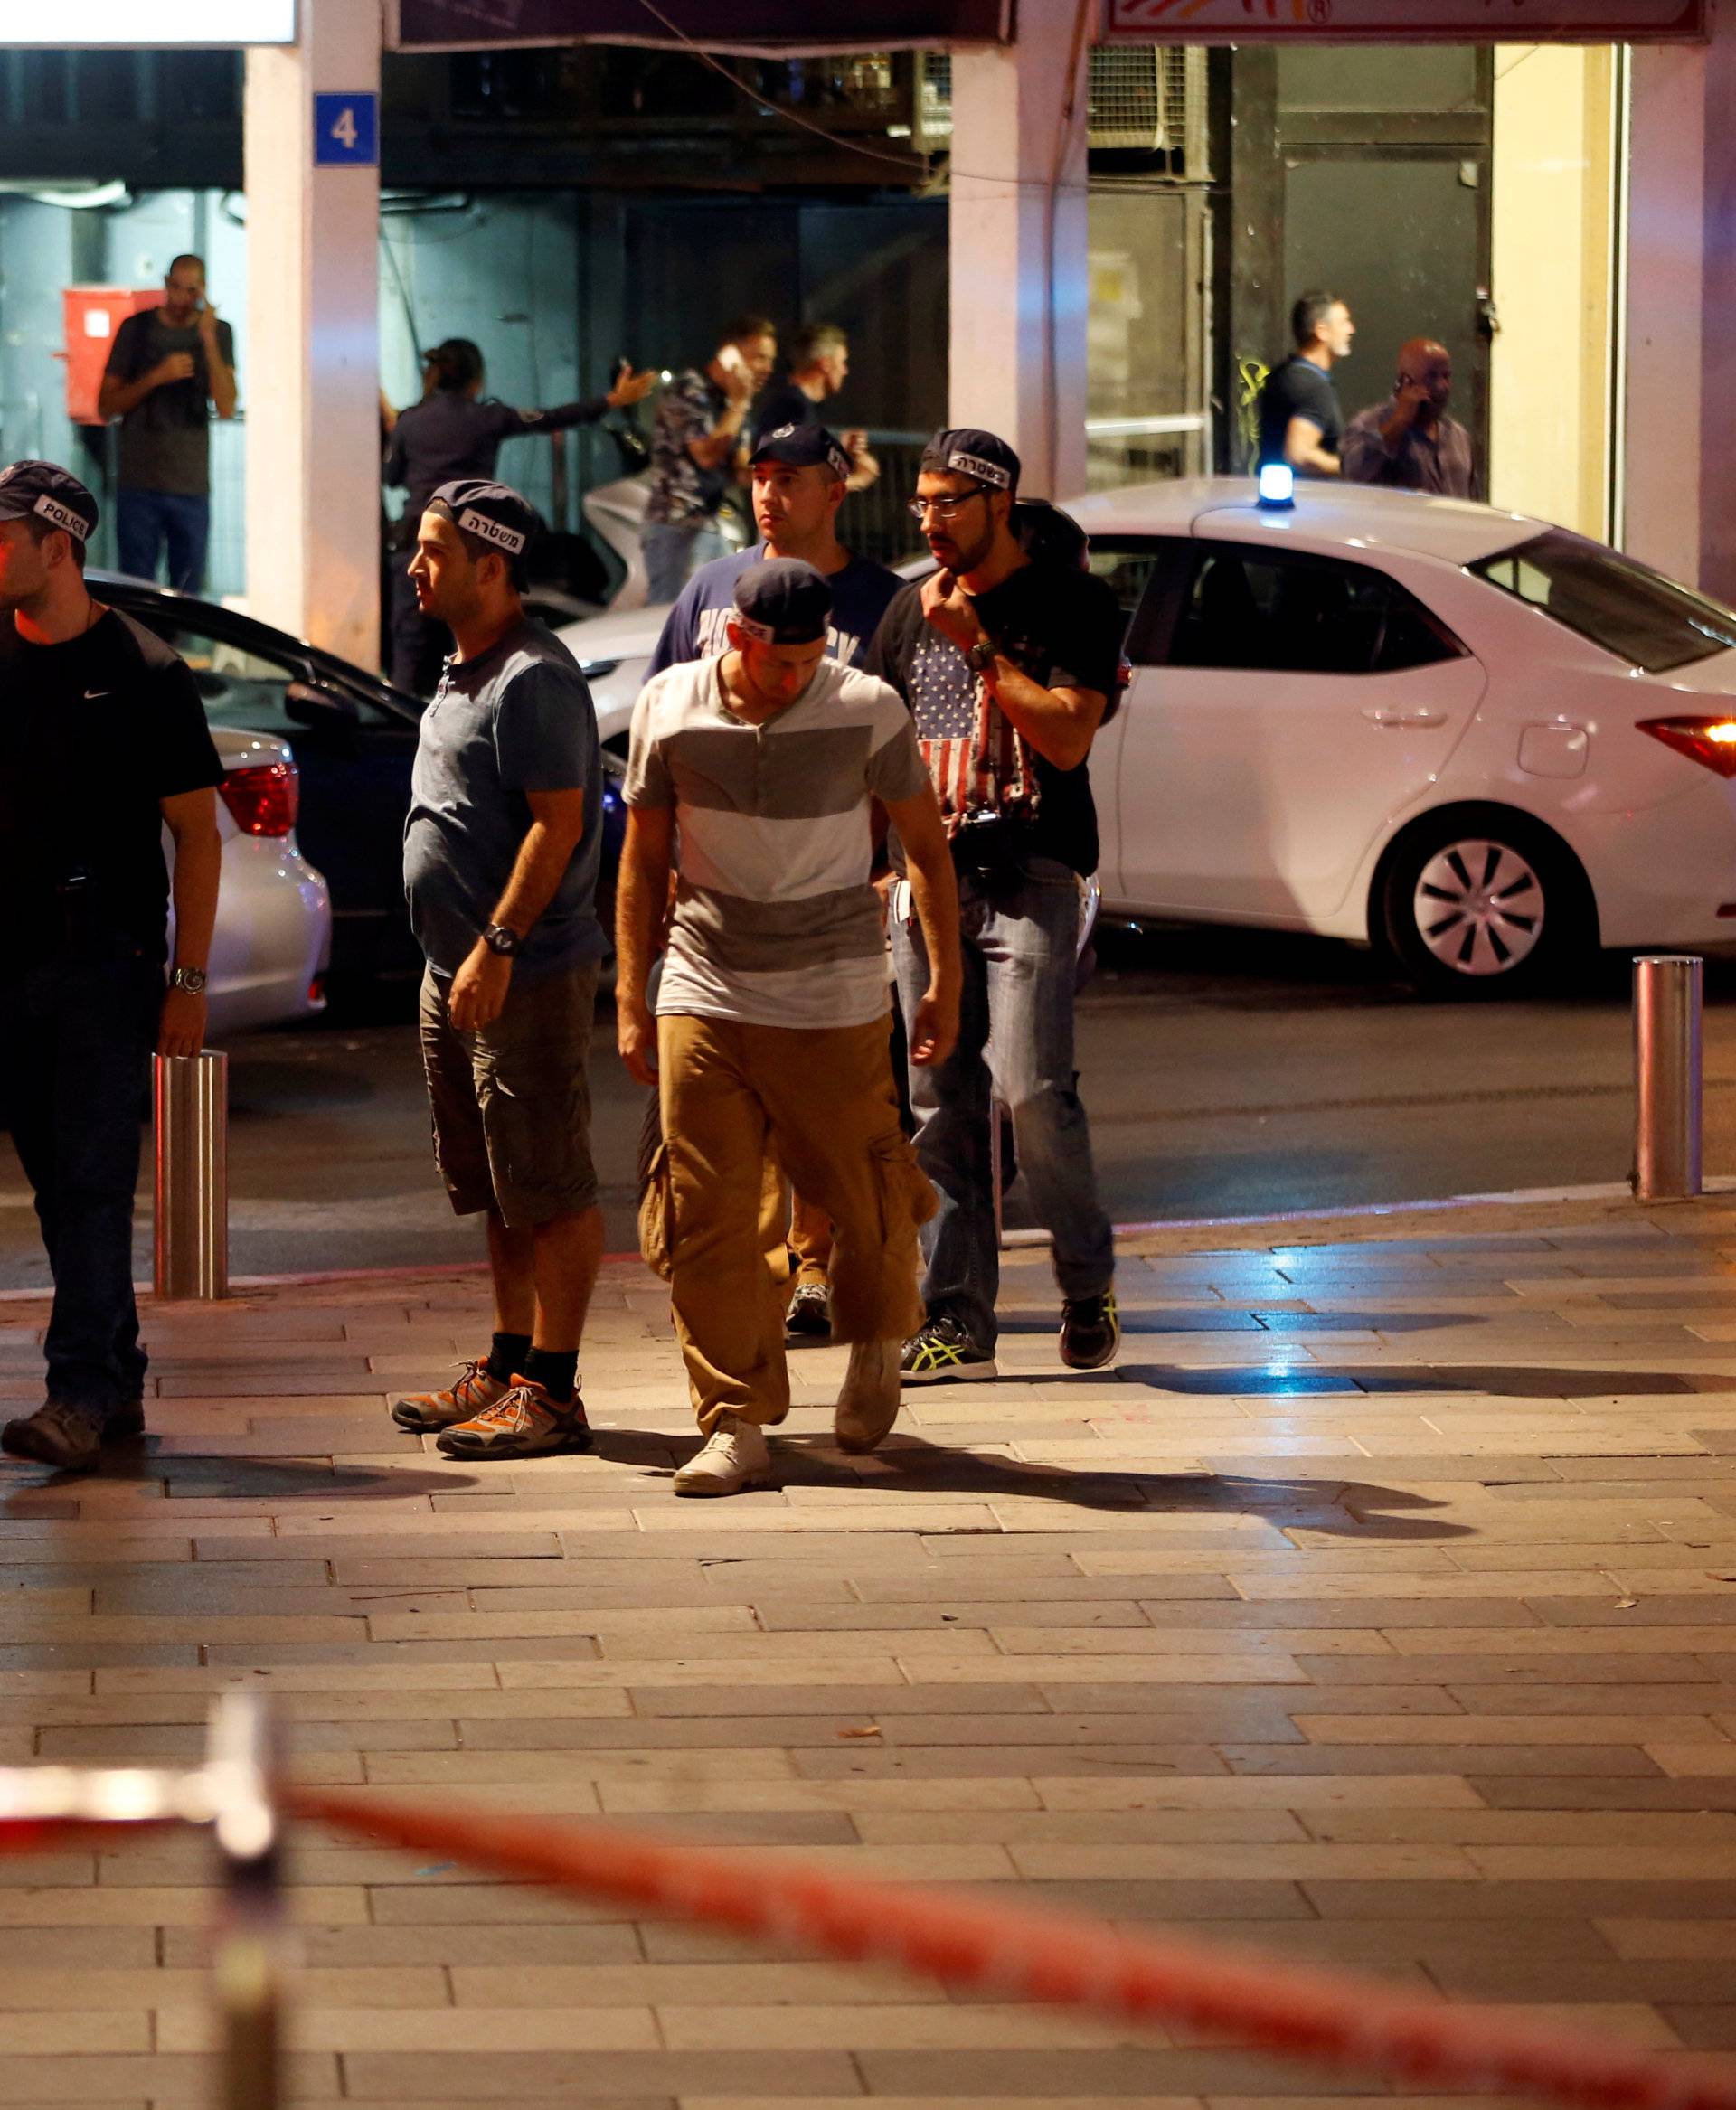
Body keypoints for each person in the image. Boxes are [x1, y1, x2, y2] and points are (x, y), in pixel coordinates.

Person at [617, 560, 961, 1497]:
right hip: (705, 983)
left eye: (812, 660)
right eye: (780, 663)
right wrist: (629, 993)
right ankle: (734, 1420)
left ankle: (879, 1337)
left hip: (834, 992)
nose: (796, 678)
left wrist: (945, 986)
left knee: (867, 1197)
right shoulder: (670, 705)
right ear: (738, 640)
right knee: (710, 1213)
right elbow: (644, 855)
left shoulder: (867, 706)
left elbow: (925, 850)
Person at [866, 429, 1123, 1385]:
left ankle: (1085, 1280)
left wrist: (977, 649)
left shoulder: (1071, 604)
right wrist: (879, 869)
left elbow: (1065, 741)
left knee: (1029, 1088)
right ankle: (956, 1315)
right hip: (926, 886)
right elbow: (877, 753)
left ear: (999, 503)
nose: (931, 520)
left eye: (949, 503)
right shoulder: (903, 612)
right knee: (939, 1106)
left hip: (1034, 875)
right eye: (921, 504)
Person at [645, 420, 906, 1341]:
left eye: (789, 479)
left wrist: (888, 874)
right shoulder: (710, 591)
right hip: (715, 921)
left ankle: (825, 1263)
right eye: (758, 477)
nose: (768, 494)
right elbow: (668, 736)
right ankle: (751, 1296)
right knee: (719, 1131)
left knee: (833, 1124)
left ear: (836, 489)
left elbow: (907, 768)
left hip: (836, 906)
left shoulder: (881, 604)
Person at [0, 461, 223, 1473]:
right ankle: (116, 1381)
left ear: (59, 546)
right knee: (56, 1184)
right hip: (9, 958)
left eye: (3, 536)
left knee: (90, 1184)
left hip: (104, 959)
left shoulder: (143, 670)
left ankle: (80, 1394)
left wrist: (187, 982)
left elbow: (198, 834)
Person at [391, 478, 609, 1462]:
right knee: (494, 1181)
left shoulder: (534, 678)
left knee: (548, 1181)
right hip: (456, 967)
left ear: (492, 564)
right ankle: (510, 1360)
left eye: (433, 551)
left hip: (520, 969)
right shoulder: (461, 667)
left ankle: (553, 1393)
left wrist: (499, 945)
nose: (414, 567)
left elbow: (560, 828)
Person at [383, 337, 656, 696]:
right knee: (471, 659)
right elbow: (550, 418)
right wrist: (611, 401)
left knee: (409, 657)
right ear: (476, 380)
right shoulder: (487, 418)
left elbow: (392, 477)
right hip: (469, 553)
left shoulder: (411, 421)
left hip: (417, 549)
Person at [97, 253, 237, 594]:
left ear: (202, 291)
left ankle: (177, 647)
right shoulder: (137, 329)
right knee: (136, 588)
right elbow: (105, 406)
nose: (180, 299)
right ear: (165, 284)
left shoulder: (218, 332)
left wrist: (208, 340)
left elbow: (227, 405)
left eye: (190, 291)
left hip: (189, 487)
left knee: (188, 591)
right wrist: (156, 377)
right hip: (138, 484)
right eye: (175, 287)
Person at [642, 315, 778, 606]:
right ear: (730, 354)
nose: (768, 369)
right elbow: (705, 455)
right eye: (760, 358)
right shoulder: (688, 389)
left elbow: (741, 471)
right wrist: (740, 404)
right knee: (667, 617)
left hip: (710, 522)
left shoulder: (733, 403)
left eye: (770, 361)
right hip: (676, 526)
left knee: (713, 613)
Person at [1343, 337, 1479, 500]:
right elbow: (1354, 474)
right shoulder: (1370, 423)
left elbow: (1474, 500)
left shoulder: (1458, 436)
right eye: (1432, 377)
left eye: (1446, 376)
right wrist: (1399, 421)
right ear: (1404, 382)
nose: (1442, 386)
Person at [749, 324, 879, 492]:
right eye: (842, 362)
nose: (845, 371)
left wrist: (842, 452)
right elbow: (799, 484)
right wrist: (859, 480)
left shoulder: (796, 406)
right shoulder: (795, 407)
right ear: (825, 364)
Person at [1255, 291, 1355, 478]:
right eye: (1344, 322)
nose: (1351, 329)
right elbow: (1299, 455)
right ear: (1321, 331)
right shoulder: (1313, 387)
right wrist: (1352, 467)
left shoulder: (1283, 374)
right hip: (1306, 502)